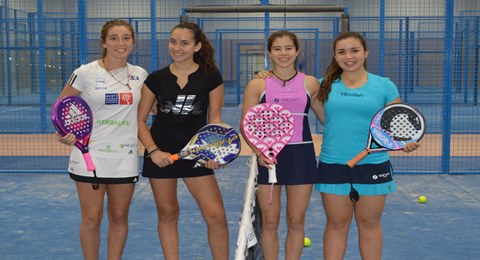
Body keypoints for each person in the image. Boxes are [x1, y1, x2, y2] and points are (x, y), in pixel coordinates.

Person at [314, 31, 420, 260]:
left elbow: (397, 125)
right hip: (333, 165)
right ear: (335, 55)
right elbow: (293, 90)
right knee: (336, 224)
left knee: (370, 224)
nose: (348, 56)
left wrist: (405, 143)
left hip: (373, 165)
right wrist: (266, 74)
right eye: (342, 52)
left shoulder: (385, 86)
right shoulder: (320, 86)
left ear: (365, 53)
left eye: (355, 50)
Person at [56, 19, 148, 260]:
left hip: (124, 156)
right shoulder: (84, 73)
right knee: (92, 216)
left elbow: (153, 108)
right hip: (89, 155)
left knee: (119, 216)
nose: (120, 43)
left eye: (126, 38)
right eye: (114, 38)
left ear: (133, 42)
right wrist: (64, 134)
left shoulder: (140, 75)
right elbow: (62, 106)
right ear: (104, 42)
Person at [137, 22, 229, 259]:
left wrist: (213, 154)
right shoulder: (155, 79)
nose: (177, 48)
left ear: (197, 46)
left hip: (196, 154)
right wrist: (153, 151)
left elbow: (215, 120)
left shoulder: (211, 77)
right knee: (167, 213)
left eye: (184, 43)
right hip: (160, 153)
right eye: (173, 42)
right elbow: (139, 120)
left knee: (216, 215)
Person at [241, 30, 323, 260]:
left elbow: (328, 117)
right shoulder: (257, 85)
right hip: (269, 157)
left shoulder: (311, 83)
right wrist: (259, 153)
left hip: (302, 156)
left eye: (288, 48)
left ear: (297, 51)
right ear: (269, 53)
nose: (283, 53)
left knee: (296, 220)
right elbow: (246, 125)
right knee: (271, 221)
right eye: (277, 48)